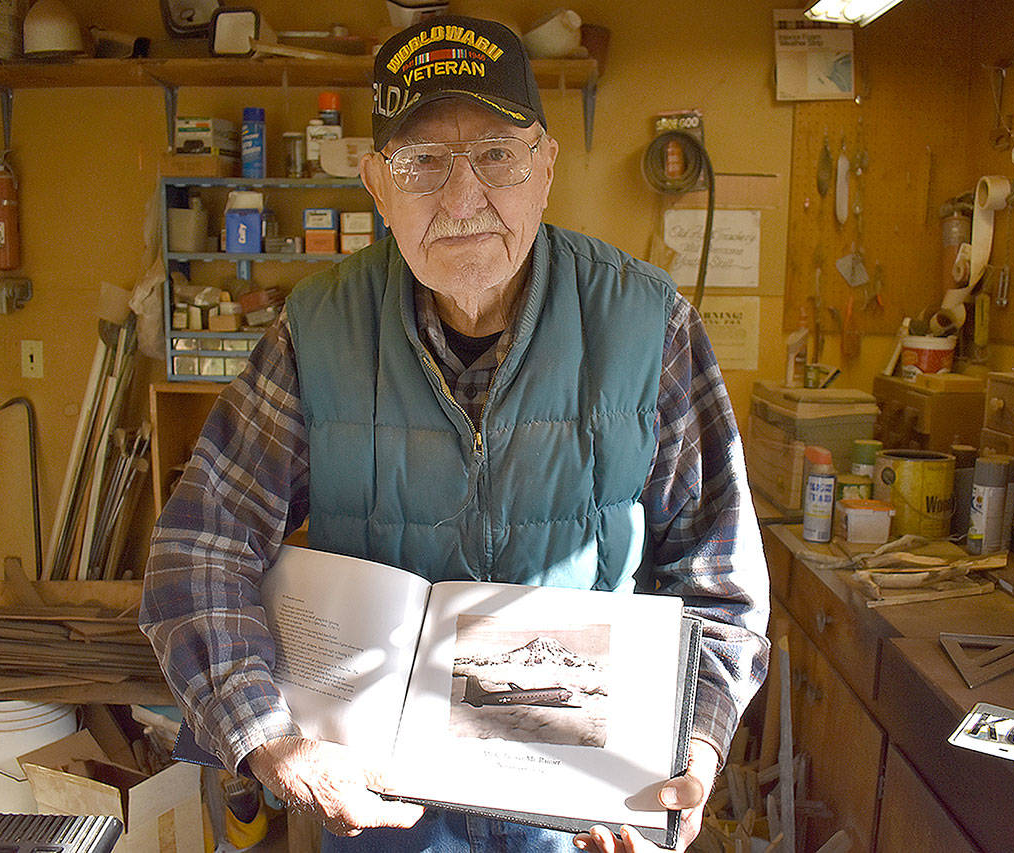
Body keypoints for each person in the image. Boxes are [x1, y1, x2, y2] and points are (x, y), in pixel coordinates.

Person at [141, 14, 769, 853]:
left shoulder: (648, 325)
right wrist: (268, 740)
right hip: (381, 810)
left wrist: (686, 747)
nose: (464, 198)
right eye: (424, 162)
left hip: (580, 810)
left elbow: (719, 573)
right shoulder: (317, 330)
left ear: (544, 167)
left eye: (497, 156)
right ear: (377, 184)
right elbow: (198, 551)